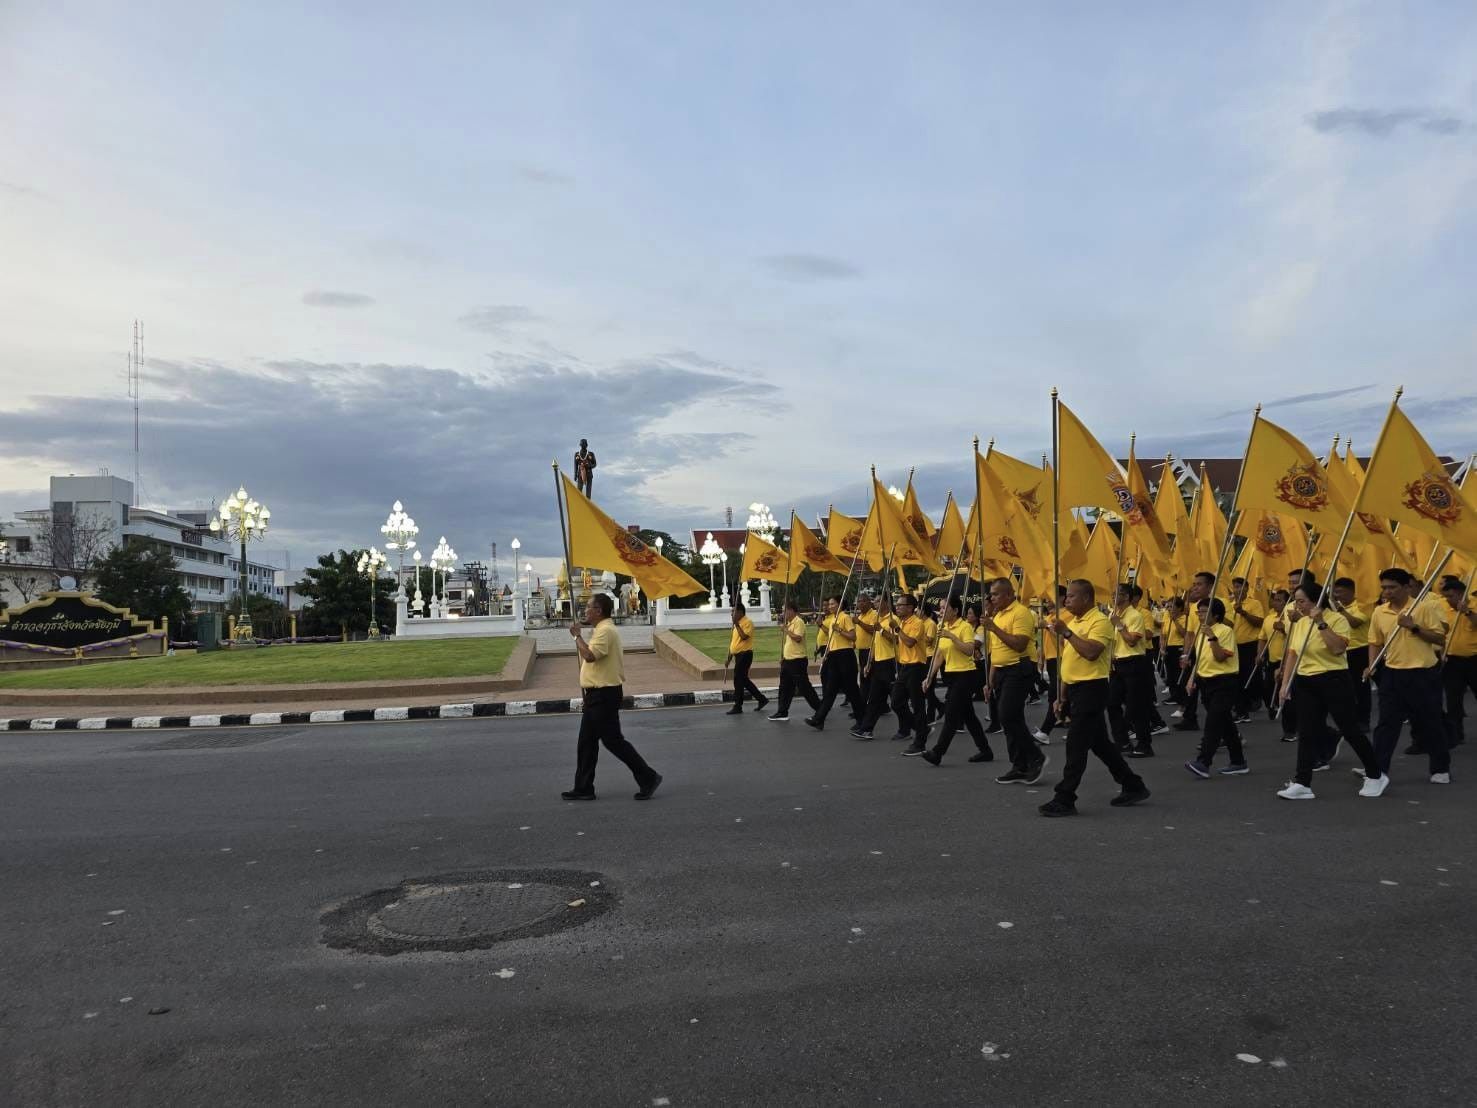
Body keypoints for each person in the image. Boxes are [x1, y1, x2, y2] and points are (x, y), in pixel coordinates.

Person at [1038, 579, 1151, 817]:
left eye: (1071, 596)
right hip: (1076, 690)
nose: (1066, 600)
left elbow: (1091, 653)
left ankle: (1065, 797)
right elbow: (1069, 664)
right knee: (1100, 744)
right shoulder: (1075, 622)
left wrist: (1066, 633)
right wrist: (1061, 696)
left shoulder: (1099, 622)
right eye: (1066, 596)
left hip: (1093, 688)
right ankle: (1133, 784)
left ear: (1087, 598)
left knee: (1076, 745)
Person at [1274, 585, 1388, 800]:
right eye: (1296, 601)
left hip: (1333, 679)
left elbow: (1337, 648)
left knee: (1350, 729)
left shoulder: (1336, 619)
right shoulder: (1299, 622)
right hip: (1305, 681)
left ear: (1317, 601)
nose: (1297, 606)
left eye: (1301, 601)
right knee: (1307, 732)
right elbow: (1292, 652)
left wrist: (1320, 622)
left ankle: (1375, 774)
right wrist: (1285, 683)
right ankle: (1302, 782)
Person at [563, 593, 661, 801]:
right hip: (596, 694)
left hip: (603, 695)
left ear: (598, 611)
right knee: (586, 743)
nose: (585, 610)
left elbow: (590, 656)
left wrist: (576, 636)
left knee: (613, 741)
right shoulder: (602, 629)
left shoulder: (605, 630)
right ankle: (583, 787)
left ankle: (648, 776)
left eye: (589, 607)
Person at [1367, 567, 1451, 782]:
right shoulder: (1379, 612)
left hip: (1423, 673)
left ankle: (1440, 768)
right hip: (1393, 674)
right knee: (1386, 724)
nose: (1388, 591)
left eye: (1393, 587)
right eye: (1384, 587)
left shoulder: (1423, 608)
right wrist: (1372, 665)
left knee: (1430, 721)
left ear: (1406, 587)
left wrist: (1413, 627)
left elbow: (1440, 639)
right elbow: (1375, 642)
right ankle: (1378, 770)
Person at [977, 577, 1047, 782]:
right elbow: (995, 654)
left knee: (1007, 715)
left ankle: (1035, 756)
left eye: (996, 594)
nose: (992, 597)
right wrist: (989, 681)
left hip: (1019, 668)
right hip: (1001, 671)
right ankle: (1019, 764)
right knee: (1010, 719)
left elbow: (1019, 644)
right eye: (991, 594)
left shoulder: (1021, 613)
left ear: (1009, 594)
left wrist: (994, 628)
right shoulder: (997, 616)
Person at [919, 597, 994, 765]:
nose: (941, 611)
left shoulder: (965, 627)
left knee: (951, 715)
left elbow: (969, 650)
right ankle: (985, 750)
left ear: (955, 611)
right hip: (951, 675)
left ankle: (937, 753)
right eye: (940, 608)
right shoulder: (941, 627)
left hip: (965, 675)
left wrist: (952, 636)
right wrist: (929, 676)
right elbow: (939, 654)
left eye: (945, 608)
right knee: (969, 716)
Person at [1183, 598, 1248, 778]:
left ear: (1216, 615)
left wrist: (1212, 637)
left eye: (1204, 612)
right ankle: (1238, 761)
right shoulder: (1200, 632)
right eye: (1199, 612)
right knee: (1226, 724)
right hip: (1206, 682)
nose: (1200, 616)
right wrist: (1191, 679)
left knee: (1213, 723)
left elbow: (1220, 657)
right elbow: (1200, 659)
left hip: (1224, 682)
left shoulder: (1224, 631)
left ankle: (1203, 762)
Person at [1107, 583, 1156, 758]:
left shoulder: (1135, 616)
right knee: (1112, 703)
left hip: (1134, 663)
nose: (1113, 596)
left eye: (1117, 593)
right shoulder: (1114, 615)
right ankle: (1122, 742)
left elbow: (1131, 641)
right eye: (1113, 593)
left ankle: (1144, 744)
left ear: (1126, 596)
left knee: (1136, 707)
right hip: (1118, 664)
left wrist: (1119, 625)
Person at [807, 594, 864, 730]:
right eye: (830, 604)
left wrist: (839, 630)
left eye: (833, 604)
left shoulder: (845, 617)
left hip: (845, 655)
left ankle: (862, 719)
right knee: (830, 690)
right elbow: (832, 639)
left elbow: (853, 636)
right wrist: (827, 652)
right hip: (833, 655)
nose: (830, 606)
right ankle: (819, 719)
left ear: (840, 605)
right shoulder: (833, 619)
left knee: (852, 690)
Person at [851, 595, 898, 740]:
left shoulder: (892, 619)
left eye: (878, 601)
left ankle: (916, 727)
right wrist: (869, 663)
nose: (875, 603)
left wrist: (882, 631)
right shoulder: (880, 619)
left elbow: (896, 640)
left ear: (886, 603)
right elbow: (875, 644)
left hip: (890, 662)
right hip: (878, 662)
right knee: (874, 699)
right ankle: (866, 729)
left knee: (898, 701)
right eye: (875, 601)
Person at [1439, 575, 1477, 749]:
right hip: (1452, 660)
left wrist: (1467, 612)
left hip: (1474, 659)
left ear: (1462, 594)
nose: (1448, 600)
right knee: (1453, 699)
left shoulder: (1474, 604)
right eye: (1446, 596)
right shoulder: (1443, 608)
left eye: (1451, 596)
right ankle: (1456, 735)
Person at [1329, 577, 1372, 730]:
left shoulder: (1362, 606)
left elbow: (1354, 623)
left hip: (1360, 650)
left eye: (1340, 592)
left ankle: (1363, 720)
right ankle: (1350, 720)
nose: (1337, 595)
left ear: (1351, 591)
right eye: (1335, 592)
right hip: (1343, 651)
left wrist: (1340, 609)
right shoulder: (1333, 608)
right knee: (1346, 688)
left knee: (1361, 688)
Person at [769, 598, 821, 722]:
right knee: (784, 687)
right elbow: (788, 642)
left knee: (804, 687)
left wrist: (786, 630)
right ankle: (782, 711)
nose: (783, 613)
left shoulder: (799, 622)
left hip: (797, 660)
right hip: (788, 660)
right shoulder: (789, 623)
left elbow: (797, 638)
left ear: (791, 610)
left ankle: (820, 709)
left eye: (784, 610)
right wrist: (783, 656)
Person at [892, 594, 930, 753]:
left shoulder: (917, 623)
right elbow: (895, 640)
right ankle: (920, 728)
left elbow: (910, 642)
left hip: (916, 667)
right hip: (904, 667)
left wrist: (897, 629)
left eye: (901, 605)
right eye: (897, 604)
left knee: (918, 705)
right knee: (896, 702)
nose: (897, 607)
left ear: (910, 607)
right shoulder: (901, 622)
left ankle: (919, 743)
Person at [1229, 577, 1265, 721]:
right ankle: (1241, 709)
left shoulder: (1254, 603)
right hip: (1234, 646)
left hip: (1250, 645)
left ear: (1246, 588)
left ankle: (1254, 699)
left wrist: (1243, 612)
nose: (1237, 589)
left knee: (1250, 677)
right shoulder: (1230, 605)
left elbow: (1259, 622)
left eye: (1240, 586)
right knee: (1236, 679)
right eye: (1235, 587)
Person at [724, 602, 769, 715]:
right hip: (738, 655)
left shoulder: (747, 622)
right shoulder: (736, 624)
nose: (731, 614)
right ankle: (761, 699)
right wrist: (729, 658)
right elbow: (733, 643)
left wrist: (737, 625)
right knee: (743, 680)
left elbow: (744, 637)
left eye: (733, 611)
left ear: (740, 612)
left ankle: (738, 705)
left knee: (738, 679)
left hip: (745, 654)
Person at [854, 594, 879, 705]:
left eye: (863, 601)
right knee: (864, 678)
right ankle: (867, 704)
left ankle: (865, 705)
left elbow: (873, 630)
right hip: (862, 651)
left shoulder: (874, 614)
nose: (860, 604)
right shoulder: (859, 616)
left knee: (868, 678)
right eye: (858, 601)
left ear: (869, 602)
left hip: (871, 650)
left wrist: (859, 622)